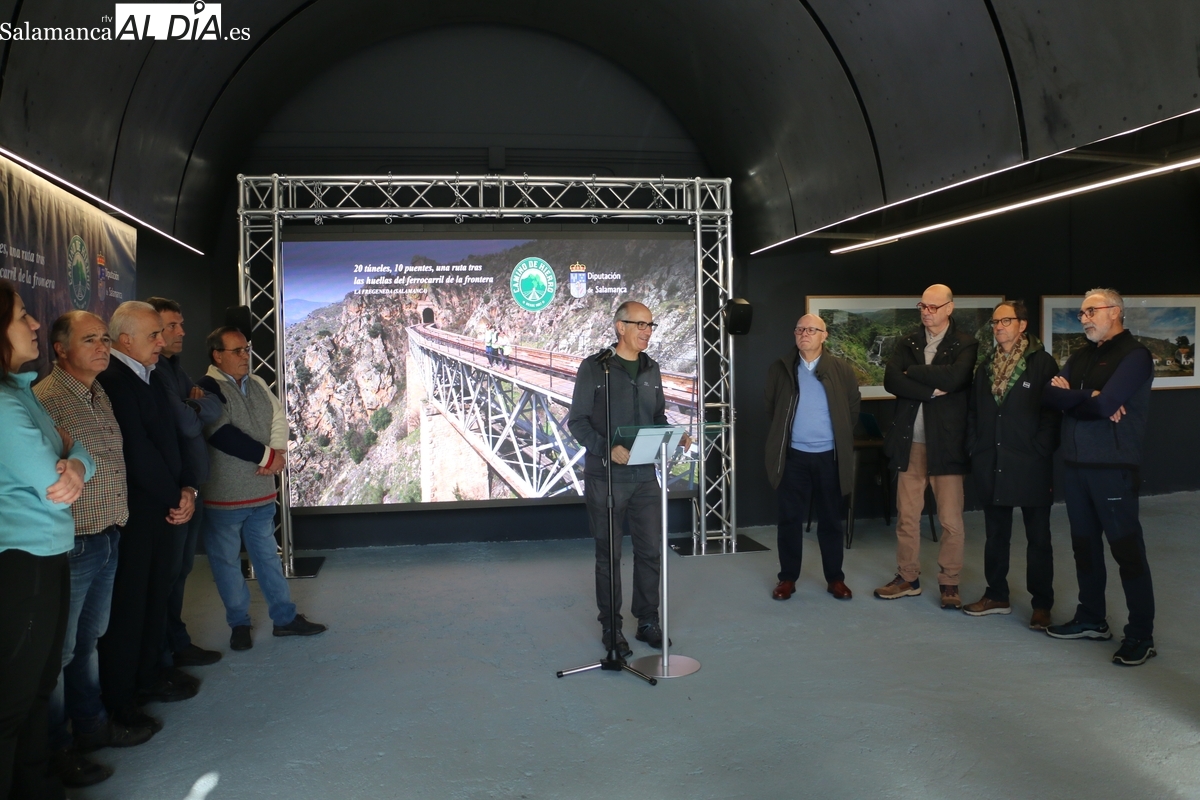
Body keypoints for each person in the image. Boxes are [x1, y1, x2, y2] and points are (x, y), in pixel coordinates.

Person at [35, 312, 153, 788]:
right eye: (90, 339)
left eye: (106, 338)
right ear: (60, 349)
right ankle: (56, 750)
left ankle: (90, 727)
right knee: (61, 654)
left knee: (87, 644)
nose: (103, 346)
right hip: (73, 542)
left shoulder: (97, 390)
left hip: (106, 535)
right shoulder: (45, 400)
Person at [0, 282, 94, 799]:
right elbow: (51, 480)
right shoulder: (3, 405)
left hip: (47, 555)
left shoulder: (20, 393)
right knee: (15, 700)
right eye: (21, 317)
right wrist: (73, 464)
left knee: (38, 689)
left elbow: (75, 453)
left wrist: (77, 462)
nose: (35, 324)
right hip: (23, 563)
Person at [96, 301, 198, 735]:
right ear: (125, 340)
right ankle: (123, 701)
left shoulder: (149, 375)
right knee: (129, 610)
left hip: (165, 508)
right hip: (139, 516)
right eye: (154, 334)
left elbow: (174, 441)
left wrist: (188, 489)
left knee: (155, 598)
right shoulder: (115, 382)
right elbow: (136, 453)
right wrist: (176, 495)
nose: (163, 341)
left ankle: (150, 676)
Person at [567, 301, 691, 656]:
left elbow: (655, 416)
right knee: (609, 556)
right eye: (641, 325)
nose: (647, 331)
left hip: (644, 478)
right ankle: (611, 627)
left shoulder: (652, 369)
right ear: (620, 327)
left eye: (651, 325)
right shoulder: (595, 368)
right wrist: (607, 448)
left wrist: (675, 433)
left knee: (651, 552)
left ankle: (647, 621)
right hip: (606, 478)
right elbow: (577, 421)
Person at [1043, 288, 1157, 666]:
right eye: (1081, 313)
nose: (1085, 318)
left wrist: (1081, 396)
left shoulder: (1135, 356)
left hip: (1113, 469)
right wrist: (1088, 393)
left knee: (1126, 552)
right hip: (1075, 466)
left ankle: (1141, 634)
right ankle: (1092, 618)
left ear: (1116, 311)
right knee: (1084, 548)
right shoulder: (1080, 355)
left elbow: (1108, 403)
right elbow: (1050, 396)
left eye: (1091, 311)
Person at [196, 327, 326, 651]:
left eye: (246, 349)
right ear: (217, 355)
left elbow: (278, 417)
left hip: (261, 494)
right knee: (226, 563)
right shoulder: (206, 388)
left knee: (268, 558)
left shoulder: (256, 383)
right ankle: (238, 624)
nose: (245, 356)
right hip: (225, 497)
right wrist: (269, 456)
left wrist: (278, 453)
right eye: (237, 350)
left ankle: (284, 618)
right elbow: (220, 433)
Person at [876, 284, 978, 608]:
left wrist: (915, 375)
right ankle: (908, 577)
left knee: (951, 520)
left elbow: (956, 379)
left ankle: (950, 582)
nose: (926, 312)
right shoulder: (908, 342)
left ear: (950, 307)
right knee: (907, 516)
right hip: (911, 443)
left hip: (946, 445)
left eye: (933, 307)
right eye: (922, 306)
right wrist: (930, 390)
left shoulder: (965, 343)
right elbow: (891, 380)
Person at [962, 300, 1060, 628]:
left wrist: (1041, 448)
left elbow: (1052, 413)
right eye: (994, 322)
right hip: (992, 459)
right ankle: (997, 595)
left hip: (1031, 462)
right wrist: (975, 447)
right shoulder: (986, 365)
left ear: (1022, 324)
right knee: (996, 535)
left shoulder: (1041, 362)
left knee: (1039, 538)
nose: (998, 327)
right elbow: (974, 411)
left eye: (1005, 320)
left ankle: (1042, 604)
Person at [145, 297, 224, 669]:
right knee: (168, 575)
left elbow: (213, 407)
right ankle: (165, 652)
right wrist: (192, 407)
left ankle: (176, 643)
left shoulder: (173, 369)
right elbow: (189, 423)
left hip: (190, 487)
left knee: (181, 573)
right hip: (175, 493)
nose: (181, 332)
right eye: (173, 325)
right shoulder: (154, 373)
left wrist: (190, 404)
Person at [764, 313, 861, 601]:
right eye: (799, 329)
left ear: (824, 336)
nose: (804, 334)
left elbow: (852, 408)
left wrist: (835, 435)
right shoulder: (781, 369)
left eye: (811, 329)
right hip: (793, 456)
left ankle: (835, 579)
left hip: (829, 457)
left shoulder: (841, 369)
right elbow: (771, 407)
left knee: (831, 520)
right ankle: (787, 579)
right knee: (789, 519)